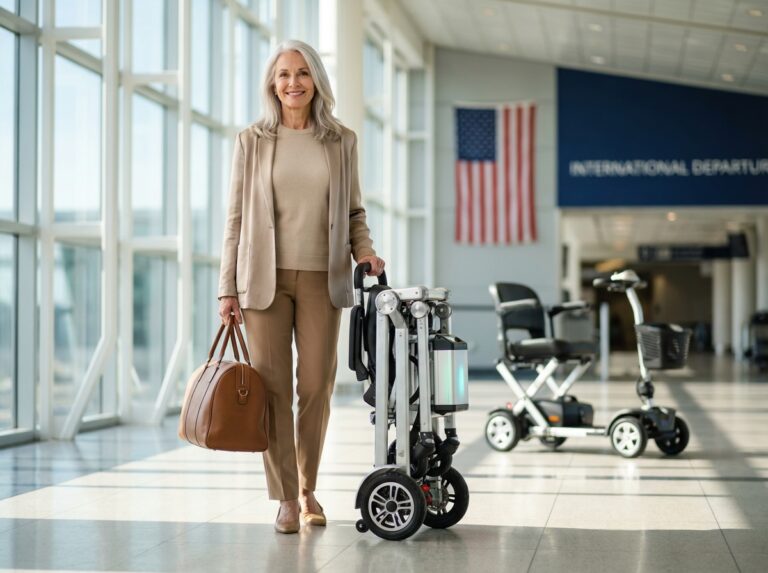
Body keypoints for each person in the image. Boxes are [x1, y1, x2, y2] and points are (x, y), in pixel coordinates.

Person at [217, 40, 385, 534]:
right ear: (272, 83)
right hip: (261, 282)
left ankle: (309, 485)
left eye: (303, 73)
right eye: (284, 74)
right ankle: (286, 498)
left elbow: (354, 212)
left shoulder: (341, 140)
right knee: (272, 391)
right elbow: (235, 219)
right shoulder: (251, 141)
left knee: (315, 386)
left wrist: (366, 252)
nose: (293, 82)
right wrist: (227, 288)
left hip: (321, 278)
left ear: (316, 81)